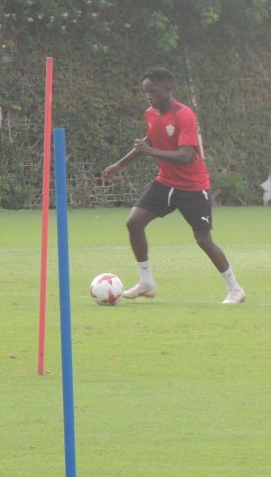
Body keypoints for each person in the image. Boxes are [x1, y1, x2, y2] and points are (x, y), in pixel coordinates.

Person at [101, 68, 245, 305]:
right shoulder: (151, 114)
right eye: (145, 92)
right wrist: (119, 165)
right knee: (134, 223)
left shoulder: (184, 115)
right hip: (165, 183)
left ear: (167, 88)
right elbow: (148, 142)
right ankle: (146, 282)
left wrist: (149, 152)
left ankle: (235, 289)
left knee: (203, 240)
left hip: (193, 187)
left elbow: (186, 156)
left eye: (153, 91)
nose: (149, 96)